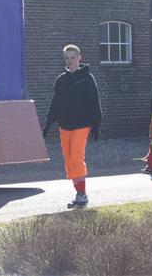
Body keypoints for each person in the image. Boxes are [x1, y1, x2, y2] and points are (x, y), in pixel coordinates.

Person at [42, 45, 101, 208]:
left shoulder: (87, 78)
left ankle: (82, 195)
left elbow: (94, 103)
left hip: (82, 125)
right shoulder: (61, 79)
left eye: (72, 57)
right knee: (69, 161)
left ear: (79, 58)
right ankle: (79, 194)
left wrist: (96, 126)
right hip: (64, 126)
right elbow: (55, 103)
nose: (69, 61)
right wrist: (48, 124)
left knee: (76, 158)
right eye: (66, 58)